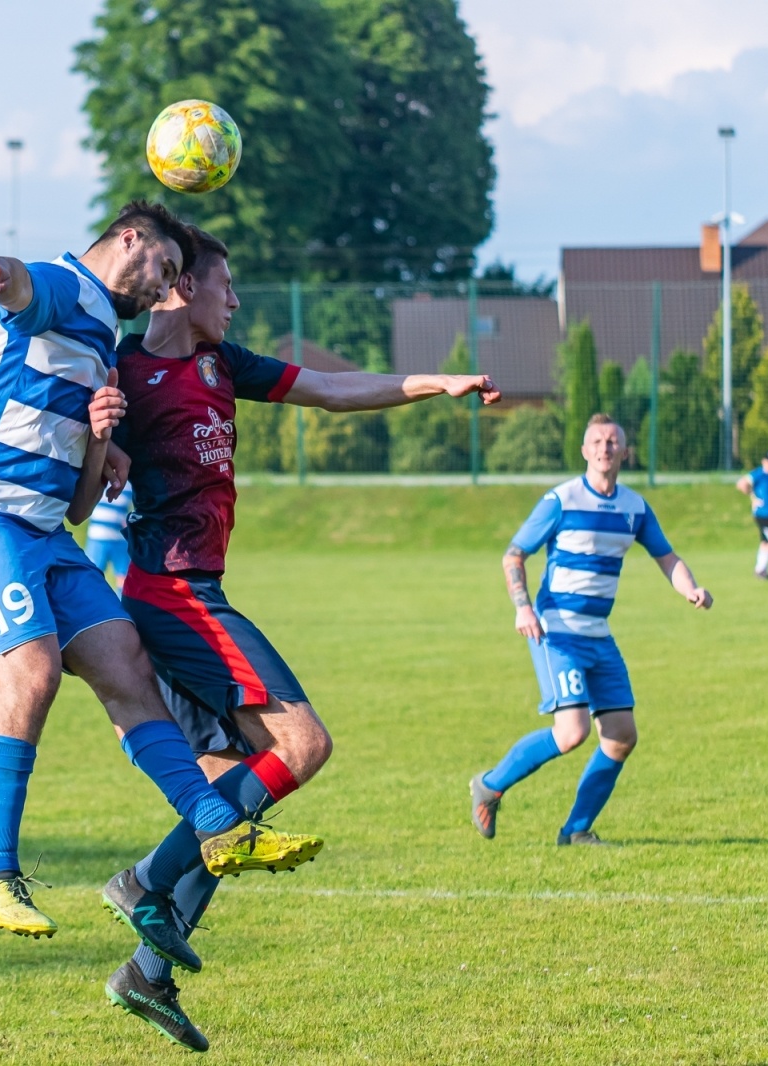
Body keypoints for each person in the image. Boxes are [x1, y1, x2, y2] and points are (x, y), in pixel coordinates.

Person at [100, 226, 500, 1051]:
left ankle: (148, 971)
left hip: (185, 594)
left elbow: (332, 388)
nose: (237, 300)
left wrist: (437, 383)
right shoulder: (124, 369)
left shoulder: (222, 365)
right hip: (173, 594)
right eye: (227, 285)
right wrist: (98, 440)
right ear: (180, 287)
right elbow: (70, 448)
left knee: (226, 791)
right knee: (303, 743)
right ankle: (143, 878)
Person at [0, 202, 311, 943]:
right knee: (32, 674)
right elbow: (26, 290)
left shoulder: (105, 339)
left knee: (127, 663)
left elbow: (86, 507)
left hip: (43, 531)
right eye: (163, 270)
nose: (163, 290)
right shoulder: (68, 286)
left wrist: (101, 445)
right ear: (129, 240)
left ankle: (219, 824)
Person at [469, 414, 713, 847]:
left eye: (613, 441)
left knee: (621, 736)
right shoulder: (561, 501)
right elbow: (513, 556)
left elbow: (667, 558)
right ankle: (488, 785)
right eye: (597, 441)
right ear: (584, 451)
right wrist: (523, 608)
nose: (605, 447)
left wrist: (690, 587)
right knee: (573, 732)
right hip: (556, 632)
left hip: (598, 635)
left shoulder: (634, 507)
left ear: (624, 451)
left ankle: (576, 830)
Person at [736, 450, 768, 579]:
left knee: (765, 542)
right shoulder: (759, 474)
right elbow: (741, 483)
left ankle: (762, 570)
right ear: (764, 461)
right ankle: (760, 569)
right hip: (762, 514)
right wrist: (752, 497)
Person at [84, 480, 134, 583]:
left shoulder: (130, 484)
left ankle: (121, 599)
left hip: (120, 537)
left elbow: (140, 506)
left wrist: (130, 520)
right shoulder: (101, 477)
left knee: (124, 578)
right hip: (98, 536)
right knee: (92, 576)